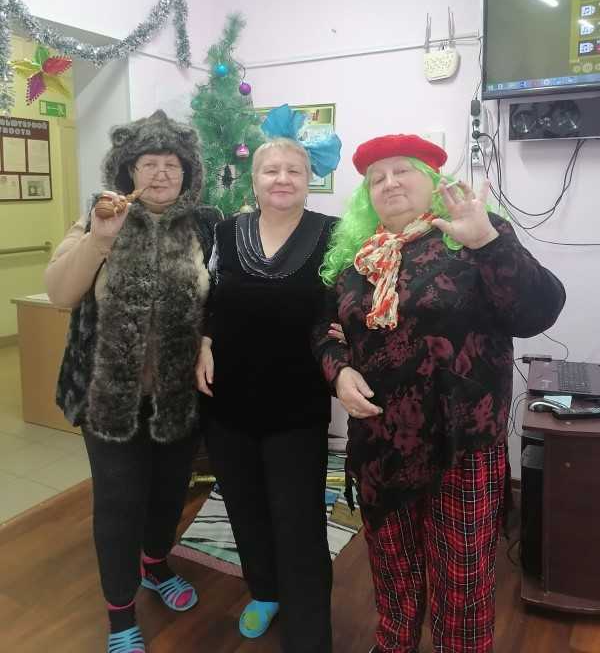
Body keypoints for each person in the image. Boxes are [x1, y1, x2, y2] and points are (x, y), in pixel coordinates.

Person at [313, 134, 566, 653]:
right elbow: (325, 328)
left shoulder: (471, 236)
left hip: (461, 444)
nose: (389, 183)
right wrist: (338, 372)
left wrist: (488, 242)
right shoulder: (356, 260)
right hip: (381, 445)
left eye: (402, 170)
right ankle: (395, 642)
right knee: (392, 567)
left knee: (463, 578)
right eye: (376, 178)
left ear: (432, 180)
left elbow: (537, 312)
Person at [45, 110, 221, 653]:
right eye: (149, 163)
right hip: (109, 398)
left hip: (177, 397)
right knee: (119, 503)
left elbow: (220, 300)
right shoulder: (98, 218)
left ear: (187, 172)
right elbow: (59, 293)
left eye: (172, 164)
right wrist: (99, 240)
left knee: (169, 494)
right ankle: (120, 613)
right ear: (129, 170)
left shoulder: (206, 226)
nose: (161, 173)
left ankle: (156, 564)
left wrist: (207, 341)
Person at [196, 137, 338, 653]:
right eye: (271, 170)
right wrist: (204, 340)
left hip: (296, 407)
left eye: (293, 170)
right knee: (245, 507)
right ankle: (265, 590)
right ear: (253, 179)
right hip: (227, 402)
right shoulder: (225, 232)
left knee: (299, 522)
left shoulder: (335, 235)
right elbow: (208, 298)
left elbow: (343, 310)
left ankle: (309, 633)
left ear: (309, 179)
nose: (282, 179)